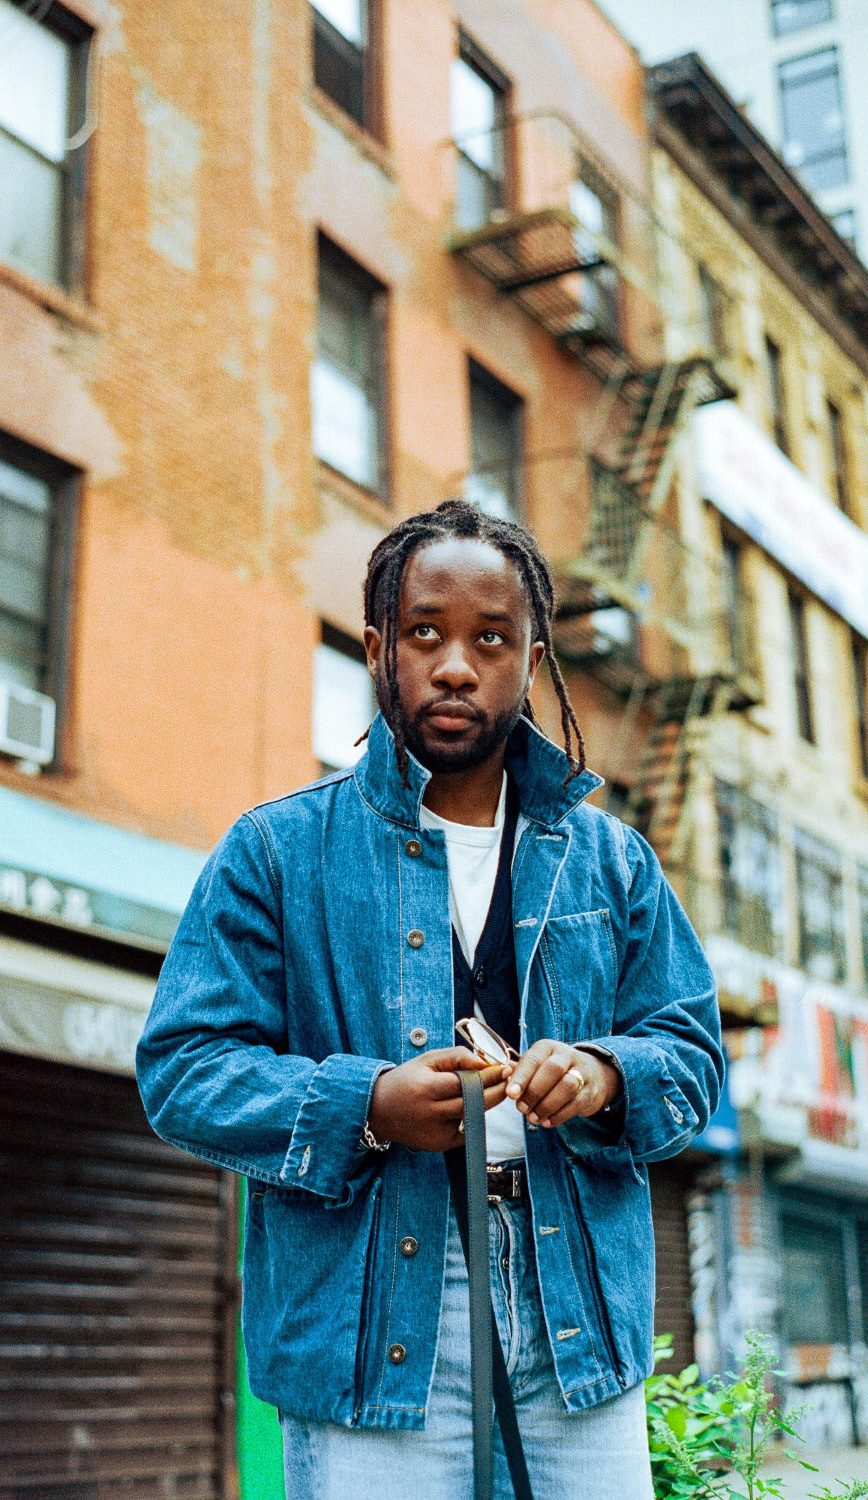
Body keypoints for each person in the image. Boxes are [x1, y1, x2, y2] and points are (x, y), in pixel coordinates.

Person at [136, 500, 723, 1499]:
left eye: (491, 639)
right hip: (368, 1323)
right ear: (378, 650)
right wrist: (363, 1106)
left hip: (573, 1298)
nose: (456, 664)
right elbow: (184, 1070)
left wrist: (604, 1073)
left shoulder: (611, 860)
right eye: (425, 634)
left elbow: (692, 1054)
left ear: (530, 661)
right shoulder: (277, 850)